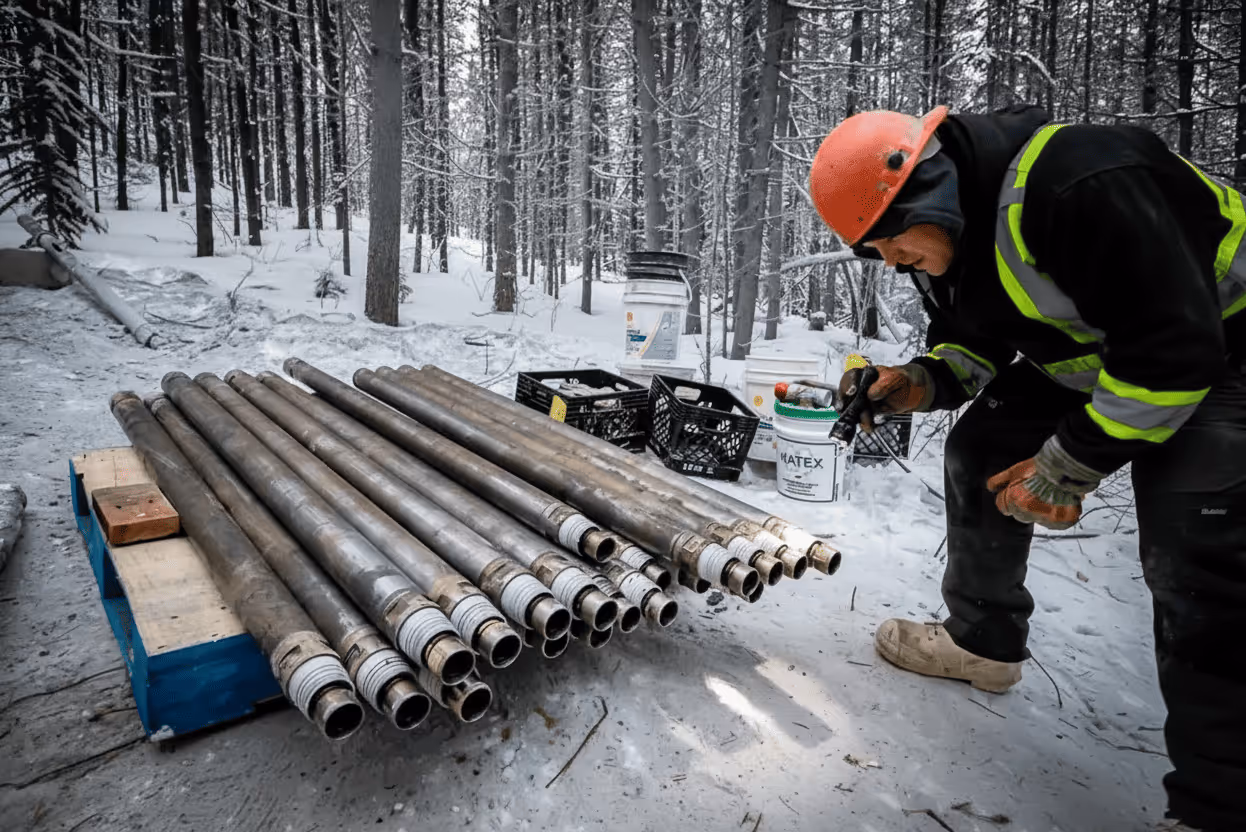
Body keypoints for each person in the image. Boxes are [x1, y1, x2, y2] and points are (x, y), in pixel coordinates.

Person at [808, 104, 1246, 831]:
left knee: (1197, 547)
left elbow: (1174, 354)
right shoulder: (948, 236)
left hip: (1223, 347)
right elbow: (973, 343)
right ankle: (982, 640)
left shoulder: (1080, 185)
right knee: (980, 449)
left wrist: (1065, 465)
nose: (889, 262)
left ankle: (1219, 805)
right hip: (1115, 352)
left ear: (931, 192)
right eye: (874, 252)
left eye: (891, 244)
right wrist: (917, 381)